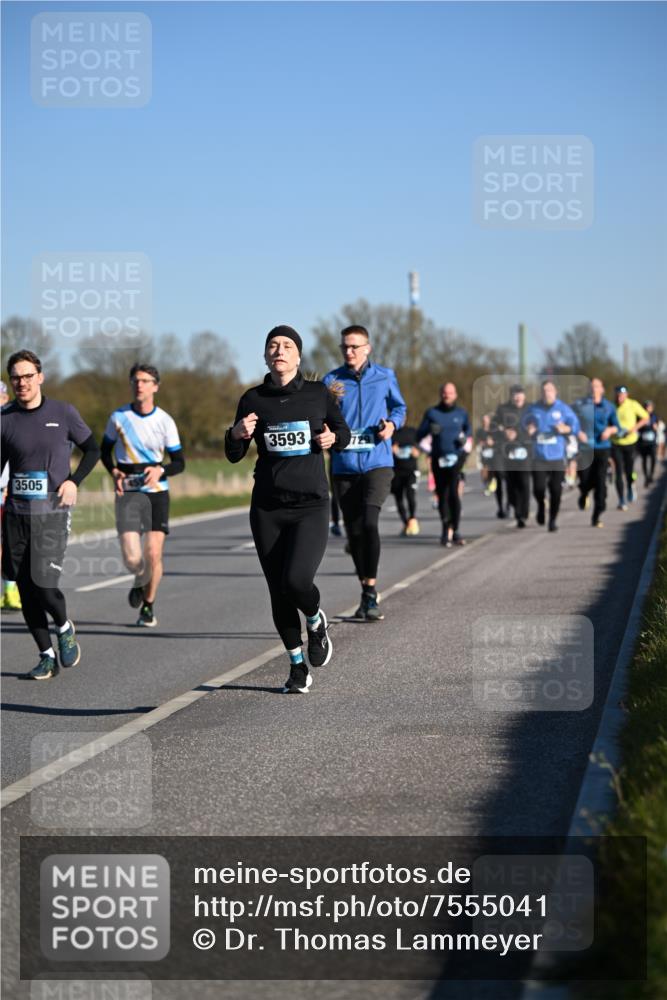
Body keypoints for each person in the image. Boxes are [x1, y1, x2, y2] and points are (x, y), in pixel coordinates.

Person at [226, 325, 350, 693]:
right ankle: (297, 665)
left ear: (298, 356)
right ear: (266, 356)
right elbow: (234, 455)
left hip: (310, 505)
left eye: (287, 345)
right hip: (267, 507)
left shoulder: (317, 394)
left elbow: (341, 434)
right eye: (272, 345)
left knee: (296, 581)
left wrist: (332, 437)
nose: (279, 350)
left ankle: (315, 620)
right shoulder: (253, 399)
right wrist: (235, 434)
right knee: (277, 590)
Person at [1, 350, 100, 679]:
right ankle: (45, 656)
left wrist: (74, 481)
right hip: (16, 514)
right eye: (16, 377)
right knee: (25, 587)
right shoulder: (5, 419)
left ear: (40, 377)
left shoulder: (63, 412)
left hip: (53, 514)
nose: (22, 382)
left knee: (43, 584)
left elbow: (93, 448)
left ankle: (64, 624)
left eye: (28, 376)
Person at [323, 325, 406, 621]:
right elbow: (322, 416)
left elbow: (400, 408)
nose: (349, 352)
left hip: (377, 462)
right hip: (344, 465)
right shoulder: (332, 381)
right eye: (345, 346)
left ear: (367, 348)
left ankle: (371, 593)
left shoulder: (384, 376)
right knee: (355, 531)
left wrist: (392, 426)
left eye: (355, 346)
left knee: (370, 522)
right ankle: (365, 591)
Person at [101, 364, 185, 628]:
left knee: (152, 554)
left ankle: (148, 605)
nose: (140, 385)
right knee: (132, 558)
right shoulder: (118, 417)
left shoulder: (165, 421)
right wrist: (113, 470)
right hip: (127, 492)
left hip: (156, 493)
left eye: (146, 381)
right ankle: (139, 578)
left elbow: (180, 462)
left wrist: (161, 469)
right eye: (136, 381)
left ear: (155, 386)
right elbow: (104, 451)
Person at [417, 382, 472, 546]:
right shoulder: (432, 413)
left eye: (450, 393)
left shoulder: (461, 413)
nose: (447, 395)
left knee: (454, 494)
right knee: (442, 495)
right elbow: (419, 434)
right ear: (440, 394)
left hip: (456, 458)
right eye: (444, 393)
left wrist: (464, 439)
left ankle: (455, 530)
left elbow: (469, 431)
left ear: (455, 395)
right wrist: (429, 431)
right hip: (438, 458)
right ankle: (444, 529)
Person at [523, 380, 579, 532]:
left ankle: (553, 520)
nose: (546, 393)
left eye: (549, 390)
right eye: (544, 391)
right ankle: (541, 505)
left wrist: (565, 428)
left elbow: (575, 426)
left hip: (556, 457)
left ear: (555, 392)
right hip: (539, 457)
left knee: (556, 490)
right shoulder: (534, 408)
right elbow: (524, 422)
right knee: (538, 489)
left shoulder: (563, 409)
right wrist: (528, 428)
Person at [576, 378, 619, 527]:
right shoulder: (580, 404)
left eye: (597, 386)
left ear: (602, 389)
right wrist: (578, 432)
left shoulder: (609, 406)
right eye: (592, 387)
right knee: (585, 480)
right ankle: (583, 494)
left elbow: (616, 426)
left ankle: (597, 514)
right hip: (585, 448)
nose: (594, 389)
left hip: (603, 447)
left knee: (600, 481)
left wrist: (609, 430)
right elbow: (571, 421)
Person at [492, 384, 530, 520]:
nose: (518, 397)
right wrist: (504, 432)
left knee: (524, 482)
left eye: (520, 394)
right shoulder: (503, 409)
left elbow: (536, 426)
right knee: (511, 483)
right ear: (511, 396)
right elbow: (493, 426)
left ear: (524, 396)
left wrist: (520, 433)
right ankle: (514, 505)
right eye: (515, 394)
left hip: (525, 450)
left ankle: (523, 513)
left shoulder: (530, 409)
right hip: (508, 451)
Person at [1, 379, 21, 610]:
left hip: (7, 491)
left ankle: (12, 591)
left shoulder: (11, 422)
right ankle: (9, 591)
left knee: (9, 545)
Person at [611, 386, 649, 509]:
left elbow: (645, 417)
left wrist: (634, 428)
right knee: (618, 472)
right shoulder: (612, 407)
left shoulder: (633, 404)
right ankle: (621, 500)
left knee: (629, 471)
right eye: (617, 395)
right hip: (616, 443)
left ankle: (630, 486)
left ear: (627, 394)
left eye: (622, 395)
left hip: (631, 443)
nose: (619, 397)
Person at [391, 422, 421, 536]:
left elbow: (420, 445)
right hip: (396, 471)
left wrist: (417, 451)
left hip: (411, 471)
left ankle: (412, 518)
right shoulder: (391, 432)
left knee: (410, 495)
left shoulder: (412, 431)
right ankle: (406, 523)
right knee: (398, 498)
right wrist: (391, 450)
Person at [637, 401, 659, 487]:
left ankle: (651, 475)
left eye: (649, 407)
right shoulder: (640, 416)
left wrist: (655, 426)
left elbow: (657, 427)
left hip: (652, 442)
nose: (647, 408)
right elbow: (637, 427)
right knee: (644, 460)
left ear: (652, 408)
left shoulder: (654, 416)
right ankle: (646, 476)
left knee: (653, 458)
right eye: (646, 406)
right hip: (643, 442)